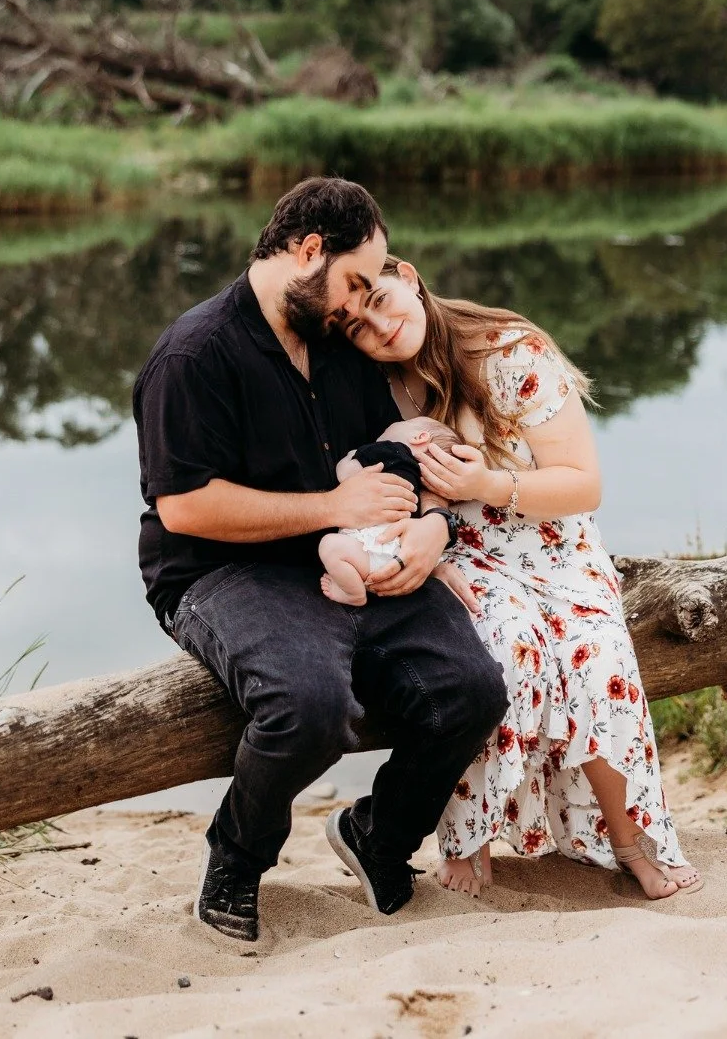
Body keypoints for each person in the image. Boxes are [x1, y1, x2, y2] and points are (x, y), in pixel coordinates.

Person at [132, 180, 507, 942]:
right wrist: (334, 509)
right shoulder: (193, 354)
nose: (360, 304)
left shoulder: (340, 347)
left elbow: (398, 458)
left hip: (354, 557)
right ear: (309, 251)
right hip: (219, 573)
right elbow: (186, 508)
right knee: (310, 705)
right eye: (356, 281)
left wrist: (431, 530)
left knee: (471, 691)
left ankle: (378, 837)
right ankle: (236, 859)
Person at [341, 256, 703, 901]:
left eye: (380, 299)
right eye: (357, 328)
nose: (380, 327)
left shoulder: (509, 351)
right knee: (507, 652)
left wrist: (485, 483)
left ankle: (631, 839)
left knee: (595, 657)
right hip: (460, 552)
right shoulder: (371, 387)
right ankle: (468, 837)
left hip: (553, 541)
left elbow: (584, 485)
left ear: (409, 276)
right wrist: (427, 548)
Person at [320, 416, 466, 606]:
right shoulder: (418, 480)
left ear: (419, 437)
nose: (394, 423)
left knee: (329, 546)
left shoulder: (390, 449)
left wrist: (351, 456)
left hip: (374, 549)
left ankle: (353, 594)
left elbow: (344, 474)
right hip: (406, 559)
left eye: (405, 422)